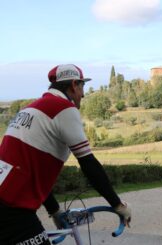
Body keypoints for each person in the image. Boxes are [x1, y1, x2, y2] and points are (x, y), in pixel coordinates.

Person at [0, 64, 131, 245]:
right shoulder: (63, 108)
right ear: (73, 85)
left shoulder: (28, 109)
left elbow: (33, 170)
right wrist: (118, 205)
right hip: (11, 207)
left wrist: (55, 211)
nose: (83, 95)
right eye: (82, 87)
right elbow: (88, 163)